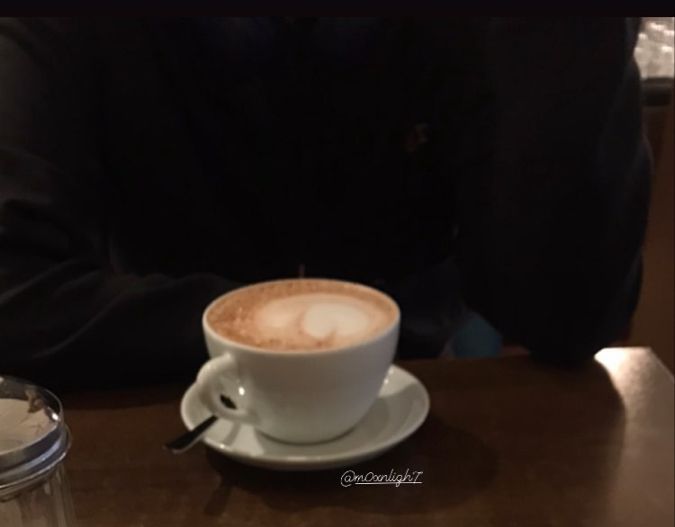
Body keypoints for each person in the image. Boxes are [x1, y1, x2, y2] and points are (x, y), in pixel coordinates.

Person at [0, 18, 650, 388]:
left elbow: (567, 318)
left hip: (430, 383)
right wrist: (280, 335)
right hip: (161, 399)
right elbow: (14, 302)